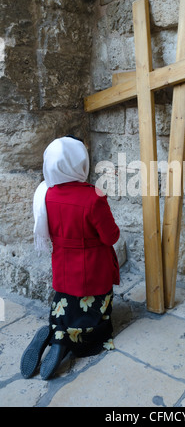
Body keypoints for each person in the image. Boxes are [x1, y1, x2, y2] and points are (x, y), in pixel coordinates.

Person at [20, 135, 120, 380]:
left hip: (63, 268)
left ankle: (56, 332)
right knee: (94, 311)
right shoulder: (93, 196)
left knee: (65, 302)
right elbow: (111, 237)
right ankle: (71, 343)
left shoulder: (46, 194)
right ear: (80, 163)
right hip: (92, 270)